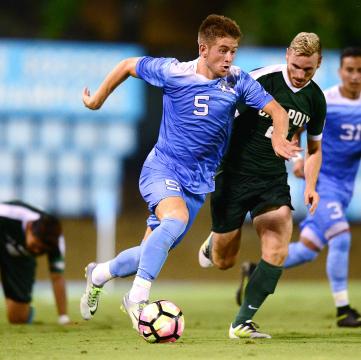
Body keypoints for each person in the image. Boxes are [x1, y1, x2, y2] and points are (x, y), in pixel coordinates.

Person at [79, 14, 300, 333]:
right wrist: (97, 100)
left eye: (234, 51)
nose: (229, 58)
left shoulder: (238, 80)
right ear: (203, 48)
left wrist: (280, 135)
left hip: (198, 183)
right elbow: (128, 64)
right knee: (175, 219)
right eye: (223, 50)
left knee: (151, 249)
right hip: (162, 168)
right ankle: (137, 299)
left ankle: (98, 274)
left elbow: (277, 111)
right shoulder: (173, 72)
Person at [198, 32, 326, 338]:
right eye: (295, 66)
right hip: (233, 174)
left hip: (271, 179)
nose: (299, 74)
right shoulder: (261, 79)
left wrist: (310, 185)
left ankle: (242, 322)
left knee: (279, 237)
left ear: (319, 63)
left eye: (307, 69)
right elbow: (220, 107)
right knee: (223, 261)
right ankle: (214, 241)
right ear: (286, 55)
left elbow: (313, 149)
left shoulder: (315, 100)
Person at [282, 46, 361, 327]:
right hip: (321, 183)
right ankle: (343, 310)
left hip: (344, 189)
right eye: (350, 70)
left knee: (307, 249)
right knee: (341, 237)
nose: (354, 76)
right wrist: (299, 158)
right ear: (340, 71)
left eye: (360, 71)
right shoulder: (325, 101)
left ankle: (257, 271)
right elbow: (296, 130)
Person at [0, 200, 70, 325]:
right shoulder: (7, 213)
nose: (37, 251)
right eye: (35, 245)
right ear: (29, 227)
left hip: (20, 260)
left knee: (17, 319)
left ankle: (26, 311)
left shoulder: (55, 241)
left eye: (42, 250)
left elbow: (57, 277)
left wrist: (63, 317)